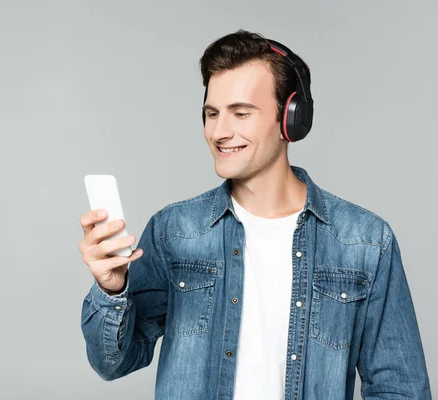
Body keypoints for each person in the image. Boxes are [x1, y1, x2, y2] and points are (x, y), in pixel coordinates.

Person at [77, 29, 432, 399]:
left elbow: (400, 388)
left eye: (241, 113)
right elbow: (113, 363)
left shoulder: (366, 241)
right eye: (211, 113)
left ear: (291, 120)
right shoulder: (174, 231)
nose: (219, 131)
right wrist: (112, 288)